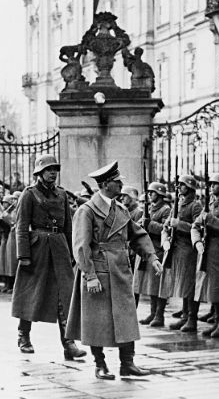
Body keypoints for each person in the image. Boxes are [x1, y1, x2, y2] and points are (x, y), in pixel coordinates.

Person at [65, 161, 161, 380]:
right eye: (118, 182)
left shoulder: (121, 209)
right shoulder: (86, 211)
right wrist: (89, 276)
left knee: (126, 317)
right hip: (97, 271)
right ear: (107, 184)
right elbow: (81, 246)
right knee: (96, 320)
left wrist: (152, 256)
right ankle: (100, 365)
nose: (121, 185)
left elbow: (137, 235)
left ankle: (127, 363)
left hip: (120, 270)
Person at [10, 155, 86, 359]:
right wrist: (23, 254)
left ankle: (68, 343)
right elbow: (21, 225)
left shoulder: (62, 194)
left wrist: (73, 251)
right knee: (31, 293)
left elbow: (69, 226)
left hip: (59, 246)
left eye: (55, 169)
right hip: (37, 248)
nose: (53, 172)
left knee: (65, 295)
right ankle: (23, 335)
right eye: (48, 169)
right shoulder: (29, 194)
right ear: (39, 173)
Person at [191, 173, 219, 338]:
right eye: (210, 185)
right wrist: (197, 242)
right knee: (213, 289)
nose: (211, 187)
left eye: (215, 184)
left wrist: (211, 220)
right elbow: (195, 225)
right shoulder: (209, 204)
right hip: (209, 251)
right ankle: (216, 321)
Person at [159, 175, 203, 332]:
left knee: (189, 285)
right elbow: (166, 226)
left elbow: (199, 227)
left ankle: (191, 318)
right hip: (177, 249)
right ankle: (185, 316)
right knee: (183, 284)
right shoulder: (177, 205)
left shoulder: (195, 205)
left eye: (183, 185)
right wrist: (165, 240)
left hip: (189, 250)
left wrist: (181, 225)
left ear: (190, 187)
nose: (179, 187)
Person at [135, 182, 171, 326]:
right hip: (147, 249)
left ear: (160, 194)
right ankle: (152, 313)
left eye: (153, 193)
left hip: (158, 249)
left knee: (158, 284)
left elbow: (166, 229)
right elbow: (139, 224)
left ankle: (159, 315)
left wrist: (149, 224)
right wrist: (140, 224)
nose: (150, 195)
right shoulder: (149, 208)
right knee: (150, 284)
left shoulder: (166, 210)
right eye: (149, 193)